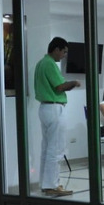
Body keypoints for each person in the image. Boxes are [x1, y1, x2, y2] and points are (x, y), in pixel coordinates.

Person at [34, 37, 80, 196]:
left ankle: (45, 183)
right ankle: (52, 185)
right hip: (54, 108)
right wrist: (74, 82)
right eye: (64, 52)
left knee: (47, 148)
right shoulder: (50, 64)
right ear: (56, 49)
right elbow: (60, 86)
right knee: (56, 148)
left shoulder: (41, 63)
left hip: (45, 108)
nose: (64, 55)